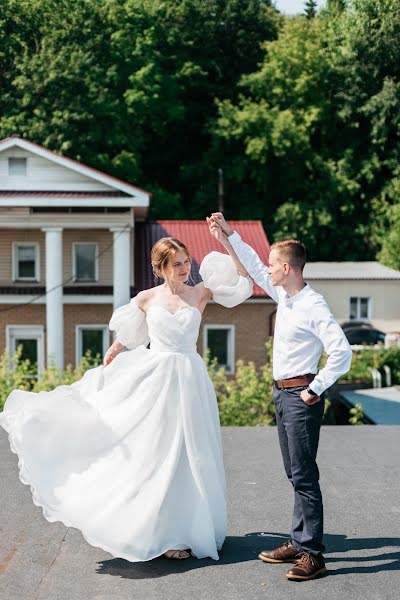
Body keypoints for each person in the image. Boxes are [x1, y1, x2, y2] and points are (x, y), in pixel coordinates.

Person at [0, 237, 253, 562]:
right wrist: (116, 349)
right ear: (160, 268)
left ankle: (190, 528)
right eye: (176, 263)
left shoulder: (200, 293)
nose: (184, 268)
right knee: (157, 451)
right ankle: (162, 532)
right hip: (157, 380)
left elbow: (243, 279)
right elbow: (133, 335)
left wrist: (227, 238)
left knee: (192, 455)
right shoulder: (146, 299)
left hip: (190, 379)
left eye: (186, 261)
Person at [207, 213, 352, 581]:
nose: (268, 269)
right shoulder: (284, 296)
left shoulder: (312, 304)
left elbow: (342, 352)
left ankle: (313, 555)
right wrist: (228, 235)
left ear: (286, 268)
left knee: (304, 475)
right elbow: (254, 266)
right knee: (294, 472)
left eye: (274, 264)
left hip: (300, 397)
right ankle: (298, 541)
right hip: (281, 394)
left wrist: (314, 388)